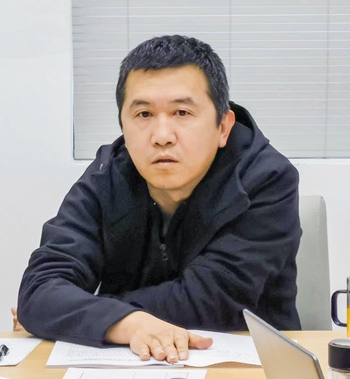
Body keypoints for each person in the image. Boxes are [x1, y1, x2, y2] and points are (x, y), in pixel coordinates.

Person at [17, 34, 302, 363]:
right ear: (123, 125)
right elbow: (40, 291)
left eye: (182, 112)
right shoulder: (106, 176)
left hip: (248, 363)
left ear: (223, 127)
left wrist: (85, 312)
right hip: (131, 363)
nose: (162, 136)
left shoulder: (267, 178)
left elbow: (211, 301)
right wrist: (127, 323)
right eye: (143, 115)